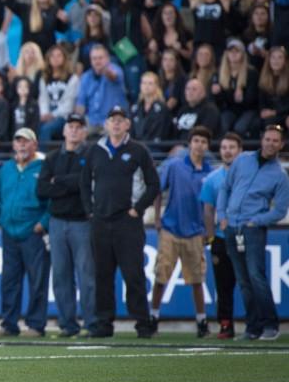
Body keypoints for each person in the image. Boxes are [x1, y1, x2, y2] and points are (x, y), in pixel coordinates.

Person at [80, 106, 160, 339]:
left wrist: (138, 208)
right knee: (102, 275)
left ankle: (143, 324)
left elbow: (154, 184)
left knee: (133, 274)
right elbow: (84, 184)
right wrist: (90, 212)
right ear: (106, 124)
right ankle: (104, 324)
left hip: (128, 222)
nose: (116, 124)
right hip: (101, 222)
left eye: (120, 120)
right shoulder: (95, 151)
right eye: (112, 120)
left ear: (127, 125)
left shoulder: (138, 151)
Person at [216, 124, 289, 341]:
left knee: (256, 276)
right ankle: (252, 327)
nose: (270, 143)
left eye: (275, 141)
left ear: (281, 145)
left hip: (252, 230)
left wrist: (256, 221)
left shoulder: (280, 175)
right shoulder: (242, 160)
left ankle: (270, 325)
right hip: (231, 227)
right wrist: (222, 215)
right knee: (243, 279)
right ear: (262, 139)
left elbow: (280, 210)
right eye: (268, 139)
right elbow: (225, 188)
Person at [150, 125, 213, 338]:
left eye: (204, 142)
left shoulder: (209, 172)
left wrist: (208, 229)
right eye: (196, 141)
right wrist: (157, 217)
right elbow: (158, 190)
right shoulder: (175, 165)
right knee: (161, 275)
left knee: (197, 279)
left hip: (195, 231)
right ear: (190, 143)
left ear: (207, 146)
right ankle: (153, 318)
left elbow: (211, 204)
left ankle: (201, 322)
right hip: (170, 227)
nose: (199, 145)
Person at [37, 114, 95, 338]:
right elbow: (42, 189)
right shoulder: (51, 158)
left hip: (82, 221)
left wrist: (59, 181)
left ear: (84, 132)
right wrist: (74, 183)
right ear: (64, 131)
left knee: (87, 276)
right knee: (61, 277)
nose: (74, 131)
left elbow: (87, 183)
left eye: (79, 127)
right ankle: (67, 325)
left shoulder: (91, 155)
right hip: (57, 222)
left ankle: (91, 323)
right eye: (70, 127)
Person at [0, 128, 49, 337]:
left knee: (37, 280)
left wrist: (43, 223)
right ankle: (9, 324)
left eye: (26, 142)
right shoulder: (6, 168)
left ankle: (35, 325)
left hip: (33, 232)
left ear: (35, 145)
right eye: (18, 141)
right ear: (14, 145)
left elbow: (51, 200)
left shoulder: (43, 168)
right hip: (9, 231)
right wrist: (2, 218)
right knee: (9, 280)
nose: (22, 145)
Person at [200, 132, 242, 340]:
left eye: (231, 147)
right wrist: (210, 237)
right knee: (223, 285)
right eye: (224, 147)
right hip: (220, 237)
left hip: (244, 236)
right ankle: (226, 325)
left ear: (240, 150)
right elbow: (208, 209)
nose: (227, 151)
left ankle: (257, 324)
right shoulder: (213, 179)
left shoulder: (247, 176)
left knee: (250, 281)